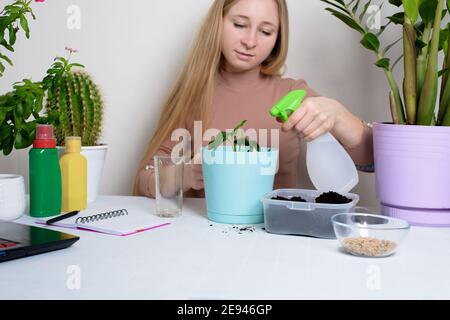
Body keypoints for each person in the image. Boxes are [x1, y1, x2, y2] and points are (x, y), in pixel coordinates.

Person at [134, 0, 374, 198]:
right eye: (239, 24)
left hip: (278, 237)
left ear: (278, 38)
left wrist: (338, 114)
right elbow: (143, 180)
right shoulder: (193, 97)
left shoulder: (293, 95)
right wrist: (185, 175)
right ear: (217, 22)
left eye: (266, 31)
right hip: (209, 237)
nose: (250, 41)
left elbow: (373, 158)